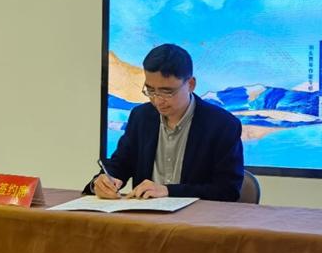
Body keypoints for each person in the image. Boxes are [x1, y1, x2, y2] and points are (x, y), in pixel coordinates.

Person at [83, 43, 244, 201]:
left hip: (197, 216)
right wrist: (102, 182)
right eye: (150, 90)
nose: (157, 100)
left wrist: (168, 191)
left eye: (167, 92)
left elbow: (227, 191)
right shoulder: (141, 117)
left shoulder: (223, 125)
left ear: (190, 84)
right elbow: (120, 165)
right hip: (143, 215)